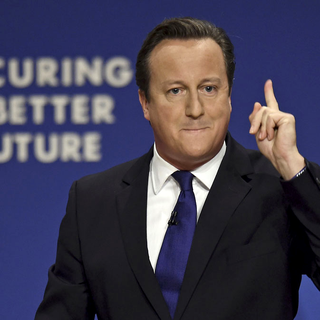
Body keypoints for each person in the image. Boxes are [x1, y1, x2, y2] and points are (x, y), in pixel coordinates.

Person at [35, 17, 320, 320]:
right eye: (176, 91)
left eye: (209, 88)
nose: (195, 109)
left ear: (229, 95)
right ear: (145, 103)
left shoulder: (281, 186)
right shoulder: (92, 201)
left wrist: (292, 167)